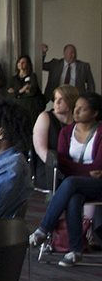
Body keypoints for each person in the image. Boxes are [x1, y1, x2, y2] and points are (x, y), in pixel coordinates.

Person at [29, 93, 102, 267]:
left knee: (71, 183)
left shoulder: (100, 133)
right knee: (74, 197)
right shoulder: (66, 132)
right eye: (75, 106)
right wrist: (87, 171)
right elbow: (62, 163)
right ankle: (75, 251)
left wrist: (76, 170)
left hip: (98, 185)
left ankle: (43, 230)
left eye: (82, 108)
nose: (75, 111)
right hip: (76, 185)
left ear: (94, 113)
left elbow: (99, 167)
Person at [32, 85, 78, 190]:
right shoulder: (45, 117)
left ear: (70, 101)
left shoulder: (77, 122)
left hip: (73, 166)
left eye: (61, 99)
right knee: (71, 185)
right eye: (56, 98)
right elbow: (41, 150)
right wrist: (60, 169)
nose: (56, 103)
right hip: (49, 167)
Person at [5, 54, 44, 124]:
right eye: (19, 62)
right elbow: (8, 95)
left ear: (28, 64)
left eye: (23, 62)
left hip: (30, 108)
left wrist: (17, 94)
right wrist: (21, 91)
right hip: (16, 108)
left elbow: (31, 91)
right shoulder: (13, 79)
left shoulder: (32, 76)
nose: (21, 64)